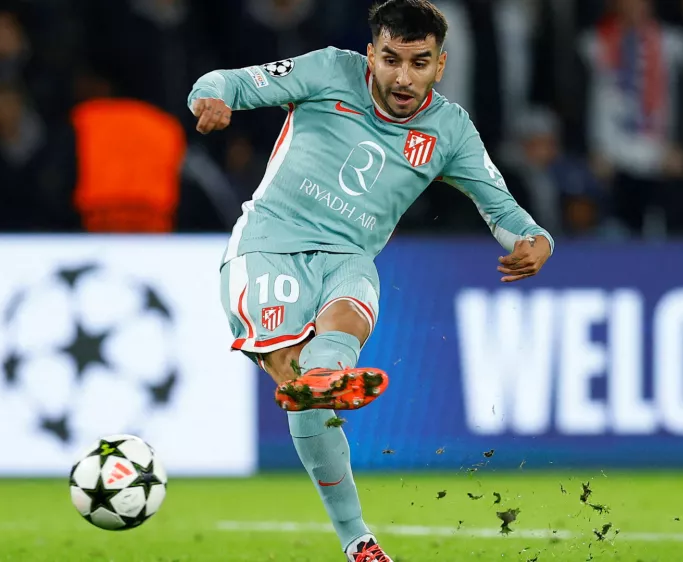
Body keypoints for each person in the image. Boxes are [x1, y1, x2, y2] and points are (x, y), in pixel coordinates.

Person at [186, 1, 554, 560]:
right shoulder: (328, 71)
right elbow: (230, 81)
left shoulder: (449, 129)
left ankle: (332, 398)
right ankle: (330, 427)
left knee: (345, 320)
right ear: (370, 56)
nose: (403, 77)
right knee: (293, 377)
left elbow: (503, 211)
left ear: (440, 65)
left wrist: (536, 241)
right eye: (391, 60)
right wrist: (209, 98)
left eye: (419, 62)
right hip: (269, 244)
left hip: (349, 256)